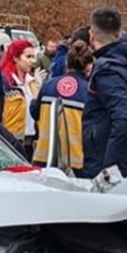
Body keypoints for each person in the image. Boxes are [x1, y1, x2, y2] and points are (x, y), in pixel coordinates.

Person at [81, 7, 127, 179]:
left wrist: (108, 168)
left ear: (92, 35)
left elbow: (125, 117)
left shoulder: (108, 71)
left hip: (107, 162)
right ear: (119, 34)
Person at [31, 39, 94, 171]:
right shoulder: (89, 91)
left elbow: (34, 113)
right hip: (75, 162)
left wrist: (35, 95)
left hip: (44, 158)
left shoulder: (49, 85)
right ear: (88, 67)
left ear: (67, 63)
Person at [1, 39, 41, 153]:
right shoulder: (5, 83)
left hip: (31, 142)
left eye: (34, 57)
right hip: (11, 142)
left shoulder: (32, 83)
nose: (33, 61)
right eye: (28, 57)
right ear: (16, 58)